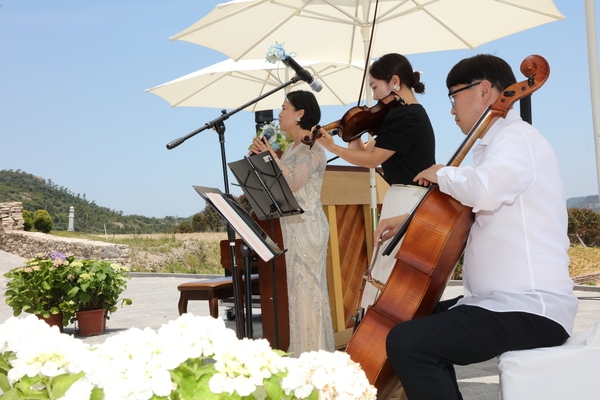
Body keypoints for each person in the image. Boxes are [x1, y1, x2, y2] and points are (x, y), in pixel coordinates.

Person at [375, 54, 578, 400]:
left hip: (529, 307)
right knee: (409, 320)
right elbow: (466, 215)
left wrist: (442, 171)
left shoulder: (517, 139)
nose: (452, 109)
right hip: (496, 301)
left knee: (409, 343)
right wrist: (412, 222)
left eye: (453, 96)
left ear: (484, 91)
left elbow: (483, 188)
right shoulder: (493, 146)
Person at [315, 53, 435, 309]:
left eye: (374, 87)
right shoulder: (404, 115)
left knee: (389, 270)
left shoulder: (406, 117)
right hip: (402, 197)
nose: (375, 98)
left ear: (394, 81)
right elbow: (366, 152)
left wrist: (333, 148)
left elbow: (372, 160)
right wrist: (352, 134)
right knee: (385, 268)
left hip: (408, 198)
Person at [250, 90, 335, 356]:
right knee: (298, 296)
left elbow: (295, 182)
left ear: (300, 114)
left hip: (309, 228)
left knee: (310, 295)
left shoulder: (314, 148)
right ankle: (303, 355)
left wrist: (273, 159)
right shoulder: (293, 148)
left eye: (284, 108)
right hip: (292, 228)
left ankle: (316, 358)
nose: (279, 114)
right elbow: (278, 186)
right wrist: (259, 159)